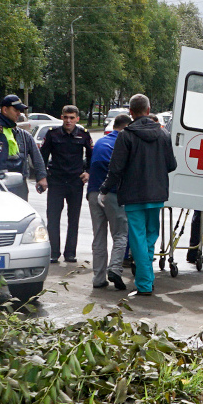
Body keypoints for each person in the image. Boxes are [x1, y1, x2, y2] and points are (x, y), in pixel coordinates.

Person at [100, 93, 175, 298]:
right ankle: (147, 278)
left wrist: (105, 189)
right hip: (157, 194)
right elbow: (172, 165)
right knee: (150, 235)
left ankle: (144, 284)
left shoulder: (126, 136)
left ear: (131, 113)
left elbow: (116, 168)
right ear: (149, 111)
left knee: (139, 238)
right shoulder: (164, 135)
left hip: (133, 196)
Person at [40, 105, 92, 264]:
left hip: (75, 182)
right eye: (65, 117)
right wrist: (42, 177)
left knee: (74, 218)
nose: (68, 121)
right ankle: (53, 253)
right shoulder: (52, 134)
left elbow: (92, 157)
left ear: (77, 118)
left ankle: (70, 253)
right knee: (53, 218)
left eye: (72, 118)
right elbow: (42, 157)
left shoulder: (83, 135)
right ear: (61, 117)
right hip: (56, 180)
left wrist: (88, 172)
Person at [88, 113, 133, 290]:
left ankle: (98, 279)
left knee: (98, 236)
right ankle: (115, 268)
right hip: (114, 194)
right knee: (120, 234)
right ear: (126, 128)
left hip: (93, 193)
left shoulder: (100, 142)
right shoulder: (124, 143)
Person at [0, 94, 47, 200]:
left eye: (20, 110)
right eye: (16, 110)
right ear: (5, 110)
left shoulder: (9, 129)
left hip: (14, 183)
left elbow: (36, 156)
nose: (19, 114)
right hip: (6, 185)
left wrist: (41, 176)